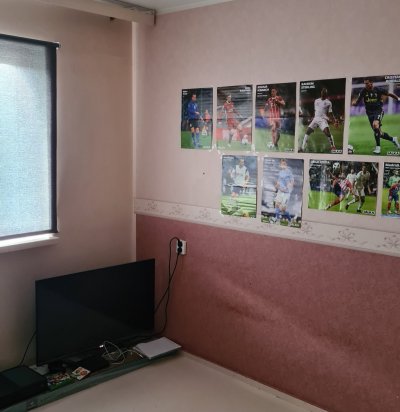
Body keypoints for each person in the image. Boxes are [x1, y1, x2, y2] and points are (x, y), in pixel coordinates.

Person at [352, 78, 400, 154]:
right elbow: (357, 102)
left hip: (378, 111)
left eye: (367, 83)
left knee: (375, 124)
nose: (365, 85)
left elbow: (389, 94)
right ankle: (393, 139)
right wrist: (354, 103)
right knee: (379, 133)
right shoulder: (363, 91)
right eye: (365, 83)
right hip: (369, 113)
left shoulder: (378, 89)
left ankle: (378, 148)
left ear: (371, 83)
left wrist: (398, 98)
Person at [300, 88, 337, 152]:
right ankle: (302, 148)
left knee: (328, 133)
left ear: (326, 94)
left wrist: (334, 120)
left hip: (323, 120)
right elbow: (316, 111)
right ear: (321, 93)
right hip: (315, 119)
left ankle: (333, 146)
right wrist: (312, 118)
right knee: (307, 132)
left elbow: (330, 113)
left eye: (324, 93)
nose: (323, 94)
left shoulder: (328, 103)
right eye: (322, 92)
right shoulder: (316, 101)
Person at [272, 159, 294, 223]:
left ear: (286, 165)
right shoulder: (280, 172)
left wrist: (288, 187)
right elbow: (279, 181)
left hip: (286, 193)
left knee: (282, 209)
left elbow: (292, 181)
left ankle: (290, 219)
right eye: (282, 164)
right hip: (280, 191)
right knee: (276, 205)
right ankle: (277, 220)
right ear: (280, 165)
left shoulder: (289, 172)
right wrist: (276, 186)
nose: (283, 165)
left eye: (284, 164)